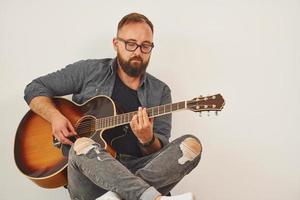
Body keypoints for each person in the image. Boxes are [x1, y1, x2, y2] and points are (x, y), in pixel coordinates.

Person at [24, 12, 202, 200]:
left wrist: (147, 139)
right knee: (82, 144)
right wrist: (55, 116)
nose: (137, 52)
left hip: (137, 168)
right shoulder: (89, 71)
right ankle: (150, 197)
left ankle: (117, 196)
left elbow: (159, 154)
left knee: (190, 146)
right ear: (116, 43)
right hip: (90, 177)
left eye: (145, 46)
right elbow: (34, 88)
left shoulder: (160, 91)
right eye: (131, 43)